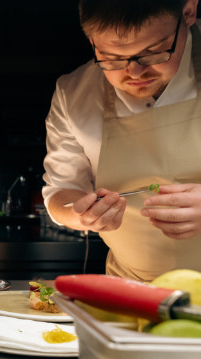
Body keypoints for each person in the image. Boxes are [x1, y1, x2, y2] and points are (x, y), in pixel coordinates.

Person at [42, 0, 201, 281]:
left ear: (188, 12)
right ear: (91, 40)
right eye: (113, 58)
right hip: (131, 293)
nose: (135, 73)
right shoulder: (75, 94)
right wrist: (82, 215)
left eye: (153, 53)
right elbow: (60, 193)